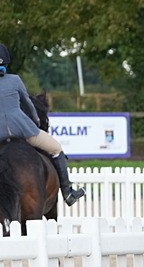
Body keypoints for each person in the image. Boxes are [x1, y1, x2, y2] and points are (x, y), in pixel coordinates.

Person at [0, 42, 86, 205]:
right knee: (56, 148)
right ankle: (67, 192)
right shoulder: (15, 80)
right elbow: (29, 105)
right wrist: (36, 122)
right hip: (23, 129)